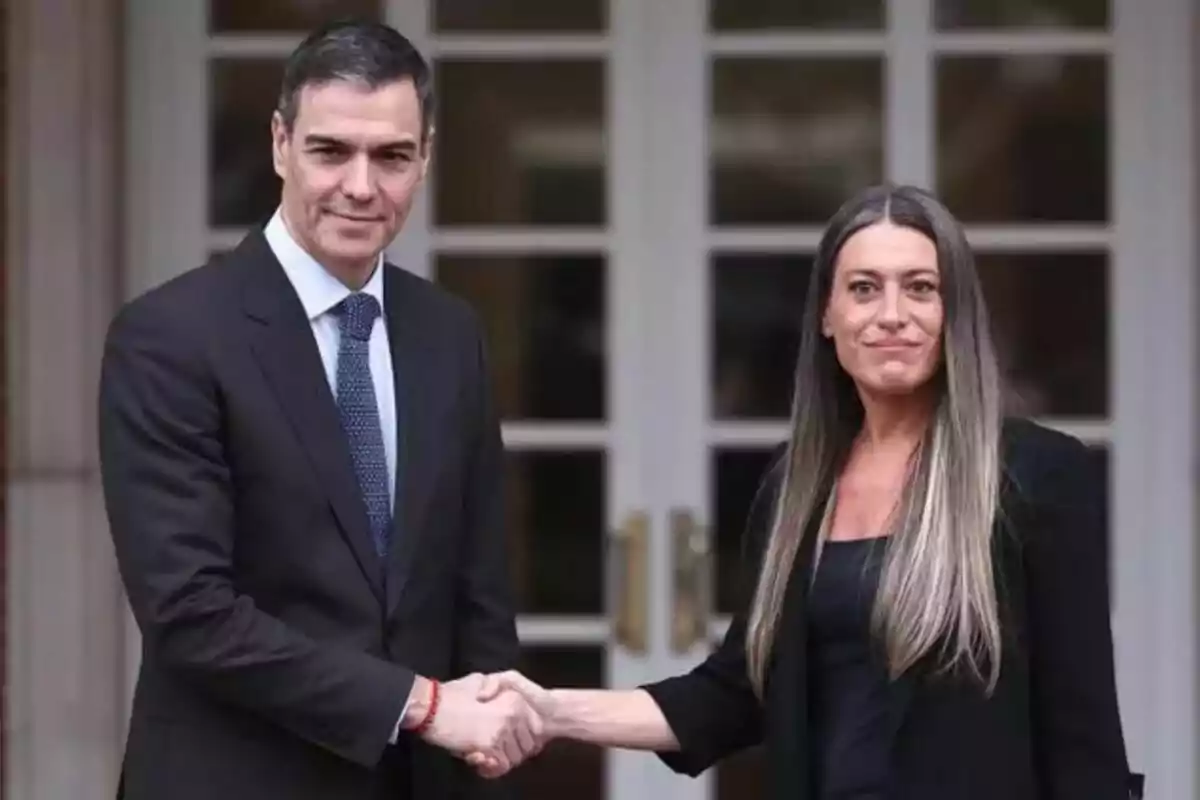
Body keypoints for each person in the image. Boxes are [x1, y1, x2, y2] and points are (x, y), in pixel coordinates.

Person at [469, 183, 1142, 799]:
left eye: (920, 288)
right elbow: (733, 695)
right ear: (827, 315)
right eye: (864, 288)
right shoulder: (797, 488)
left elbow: (1082, 735)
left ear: (953, 312)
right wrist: (549, 710)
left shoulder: (1037, 476)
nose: (892, 314)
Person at [98, 19, 540, 800]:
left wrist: (486, 740)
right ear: (280, 144)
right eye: (331, 151)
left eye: (392, 157)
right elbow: (190, 611)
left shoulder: (449, 333)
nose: (362, 186)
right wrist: (421, 705)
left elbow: (478, 596)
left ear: (425, 158)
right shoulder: (171, 337)